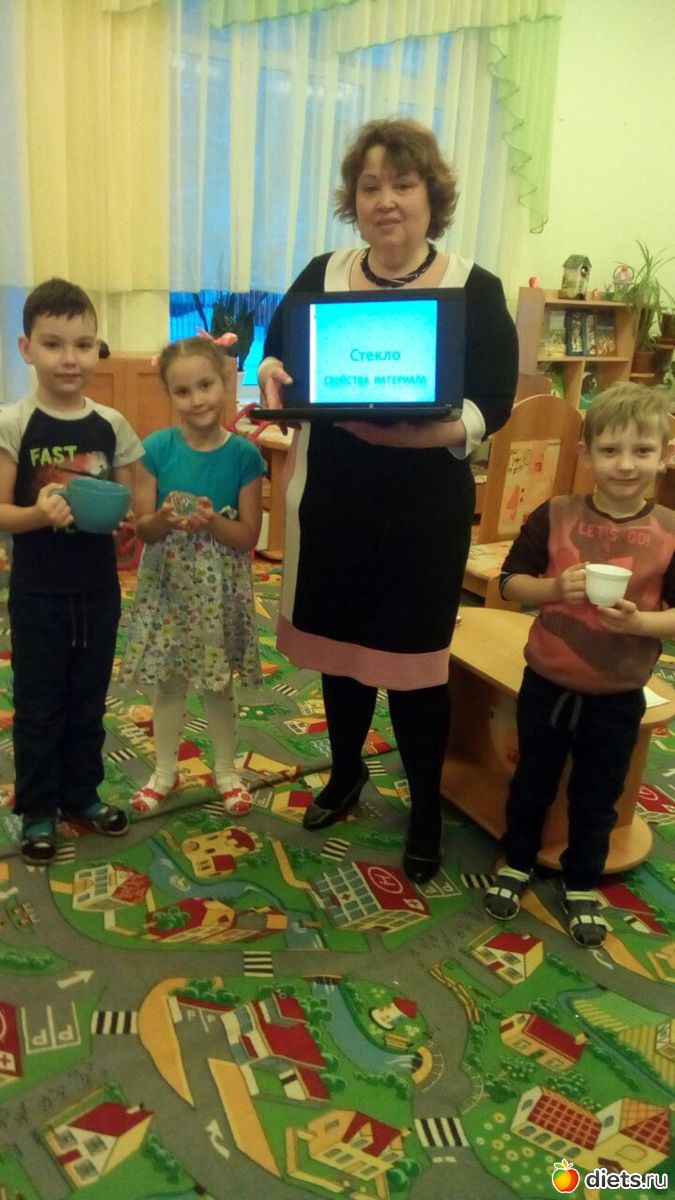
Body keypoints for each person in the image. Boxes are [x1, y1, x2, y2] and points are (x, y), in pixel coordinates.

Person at [258, 117, 518, 883]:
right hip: (332, 502)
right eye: (369, 186)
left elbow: (492, 401)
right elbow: (279, 354)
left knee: (414, 668)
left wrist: (432, 434)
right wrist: (271, 371)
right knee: (342, 656)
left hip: (421, 515)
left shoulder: (474, 286)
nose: (385, 200)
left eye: (402, 184)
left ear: (430, 195)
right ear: (354, 200)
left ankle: (426, 808)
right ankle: (345, 774)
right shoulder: (323, 272)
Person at [484, 383, 675, 946]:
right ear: (586, 454)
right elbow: (508, 582)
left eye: (642, 450)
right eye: (610, 450)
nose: (626, 464)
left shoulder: (670, 532)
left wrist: (641, 624)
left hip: (617, 692)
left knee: (597, 795)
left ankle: (582, 881)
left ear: (665, 454)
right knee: (532, 780)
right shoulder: (556, 514)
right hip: (547, 681)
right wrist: (552, 589)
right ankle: (517, 862)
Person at [0, 277, 143, 865]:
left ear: (96, 349)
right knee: (39, 702)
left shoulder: (111, 424)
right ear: (26, 348)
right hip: (37, 593)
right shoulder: (15, 422)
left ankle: (81, 794)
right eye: (53, 344)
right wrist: (37, 514)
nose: (69, 358)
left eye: (83, 345)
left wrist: (128, 522)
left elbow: (129, 501)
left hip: (98, 590)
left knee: (88, 699)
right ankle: (38, 807)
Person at [120, 336, 266, 816]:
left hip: (220, 588)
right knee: (168, 681)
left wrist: (212, 523)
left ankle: (226, 772)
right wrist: (164, 519)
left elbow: (247, 536)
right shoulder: (155, 449)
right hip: (168, 587)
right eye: (183, 391)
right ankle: (164, 771)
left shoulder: (244, 455)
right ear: (169, 394)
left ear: (224, 382)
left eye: (205, 385)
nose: (197, 399)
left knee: (218, 682)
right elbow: (143, 528)